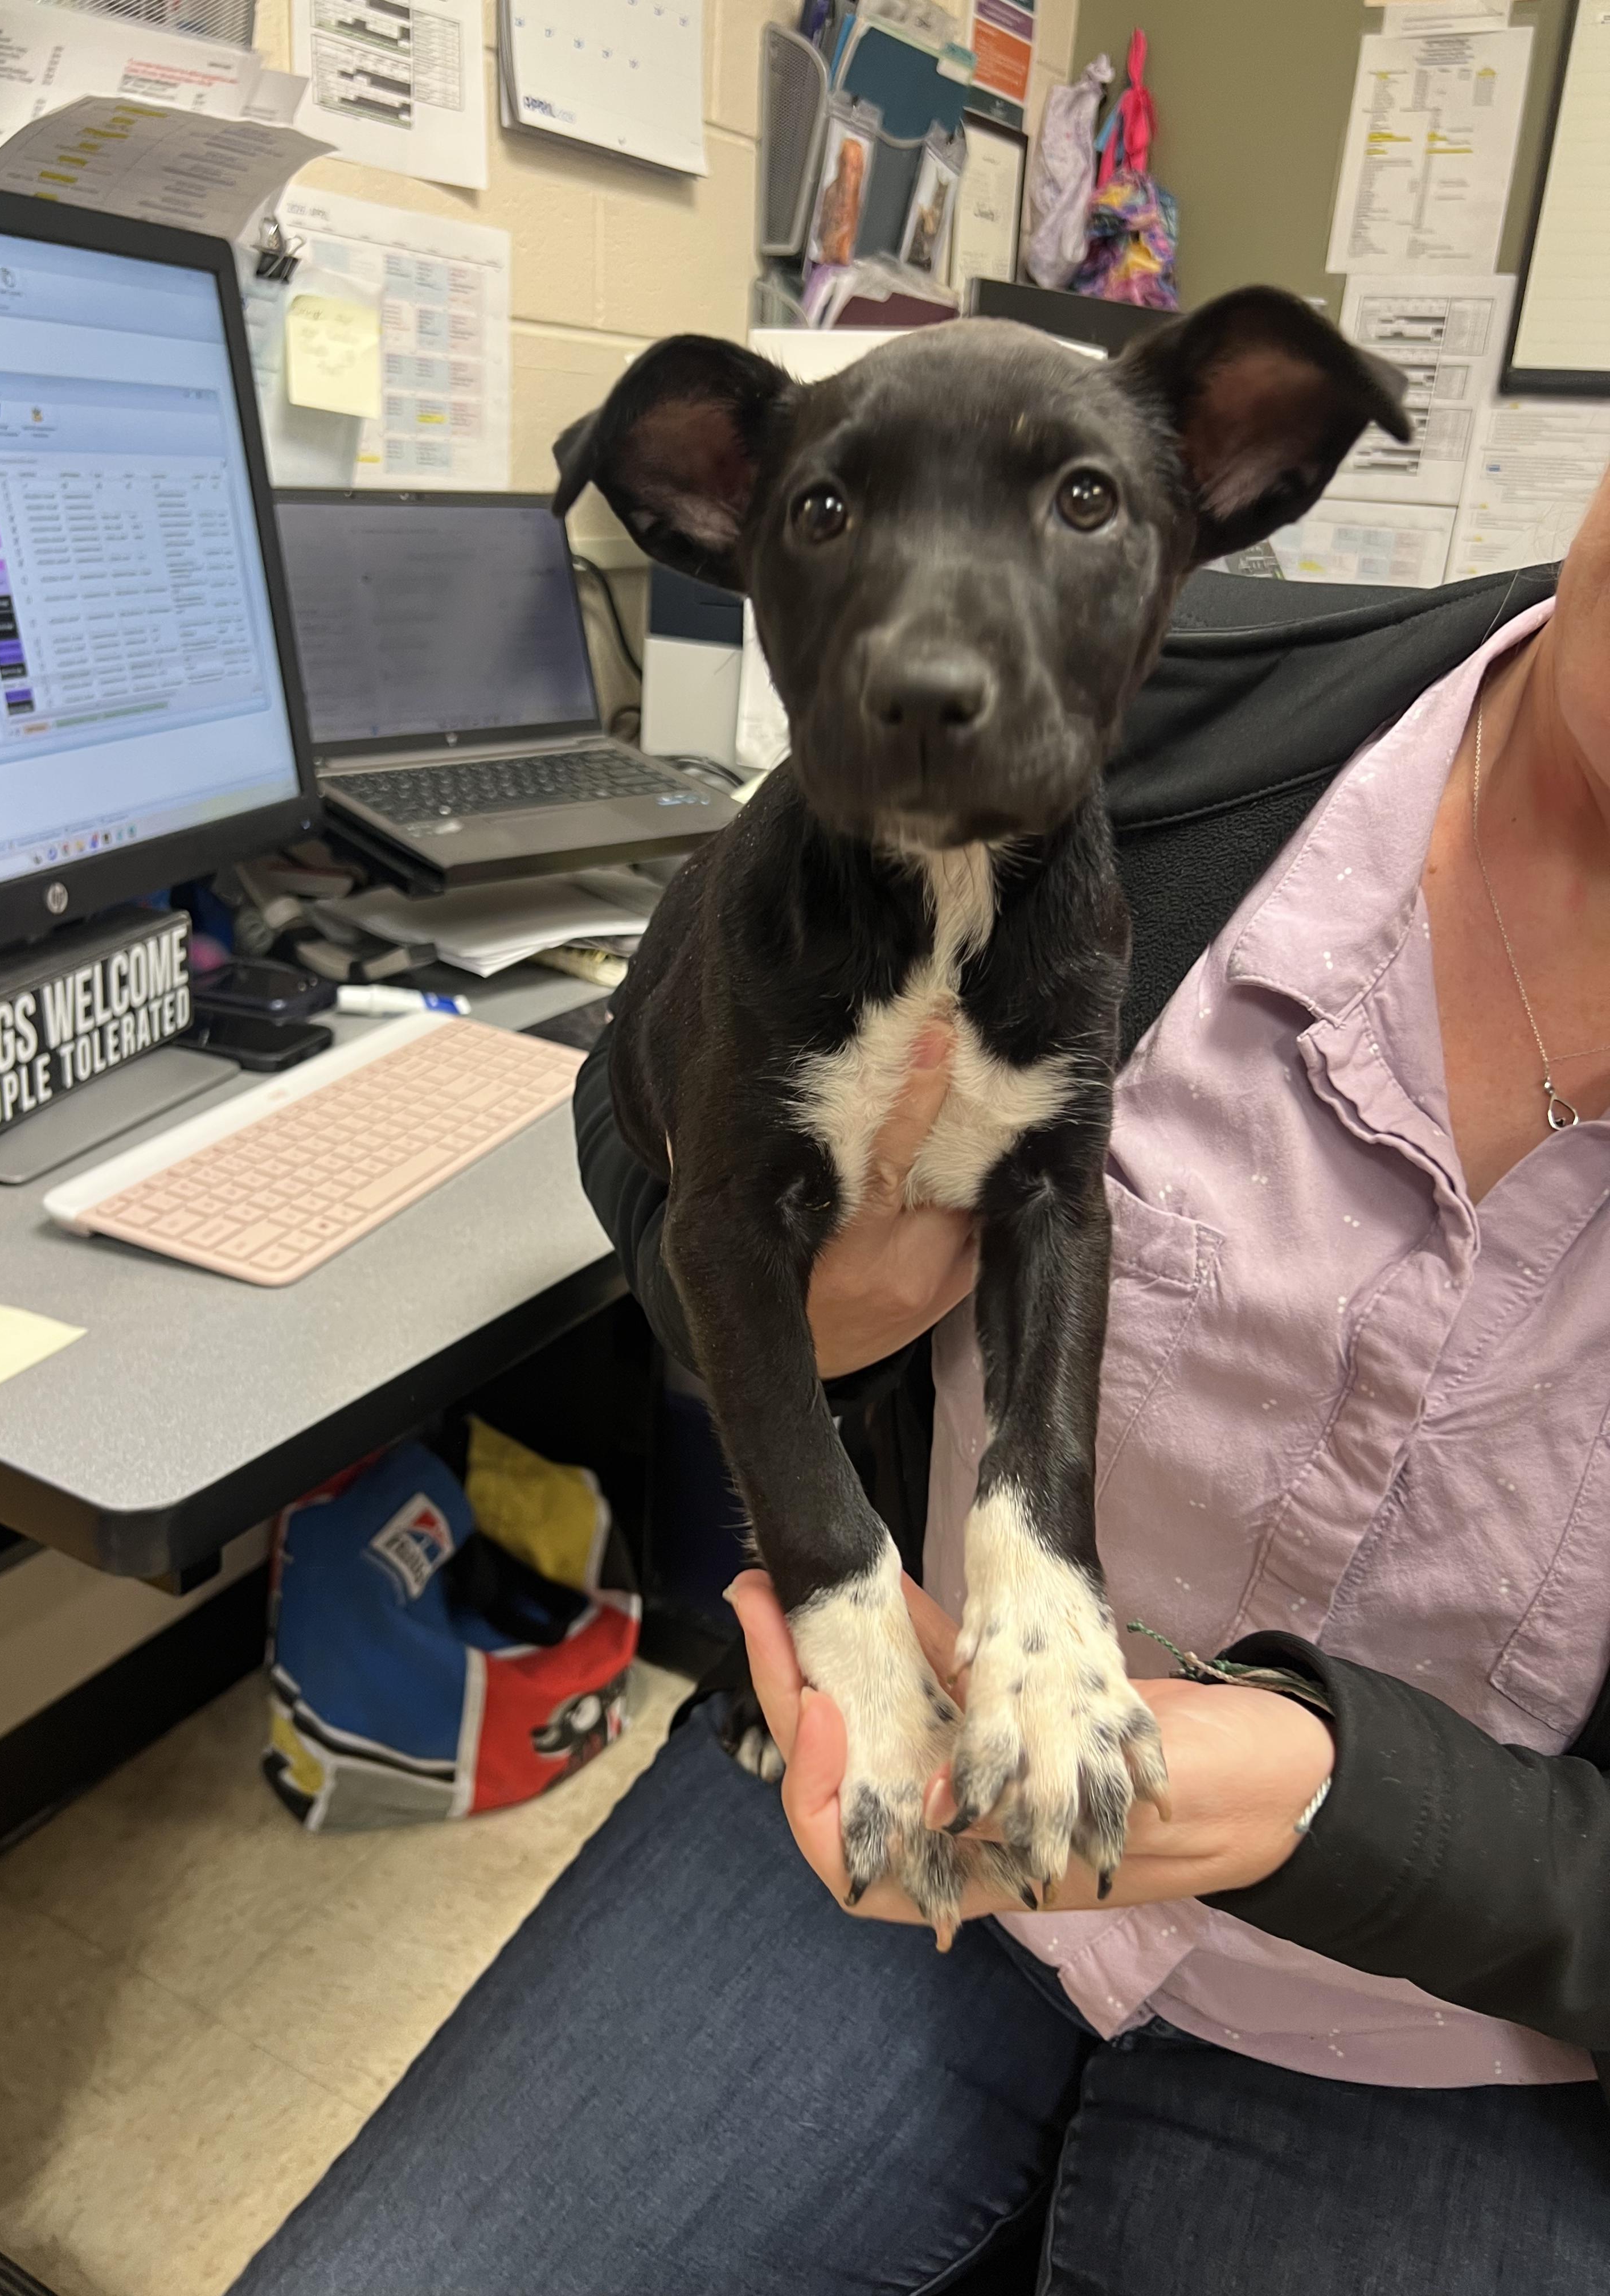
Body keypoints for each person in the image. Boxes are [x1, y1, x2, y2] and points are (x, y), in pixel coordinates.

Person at [227, 492, 1610, 2296]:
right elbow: (643, 1065)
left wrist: (1335, 1808)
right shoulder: (1140, 685)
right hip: (886, 1789)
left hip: (1430, 2029)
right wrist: (808, 1306)